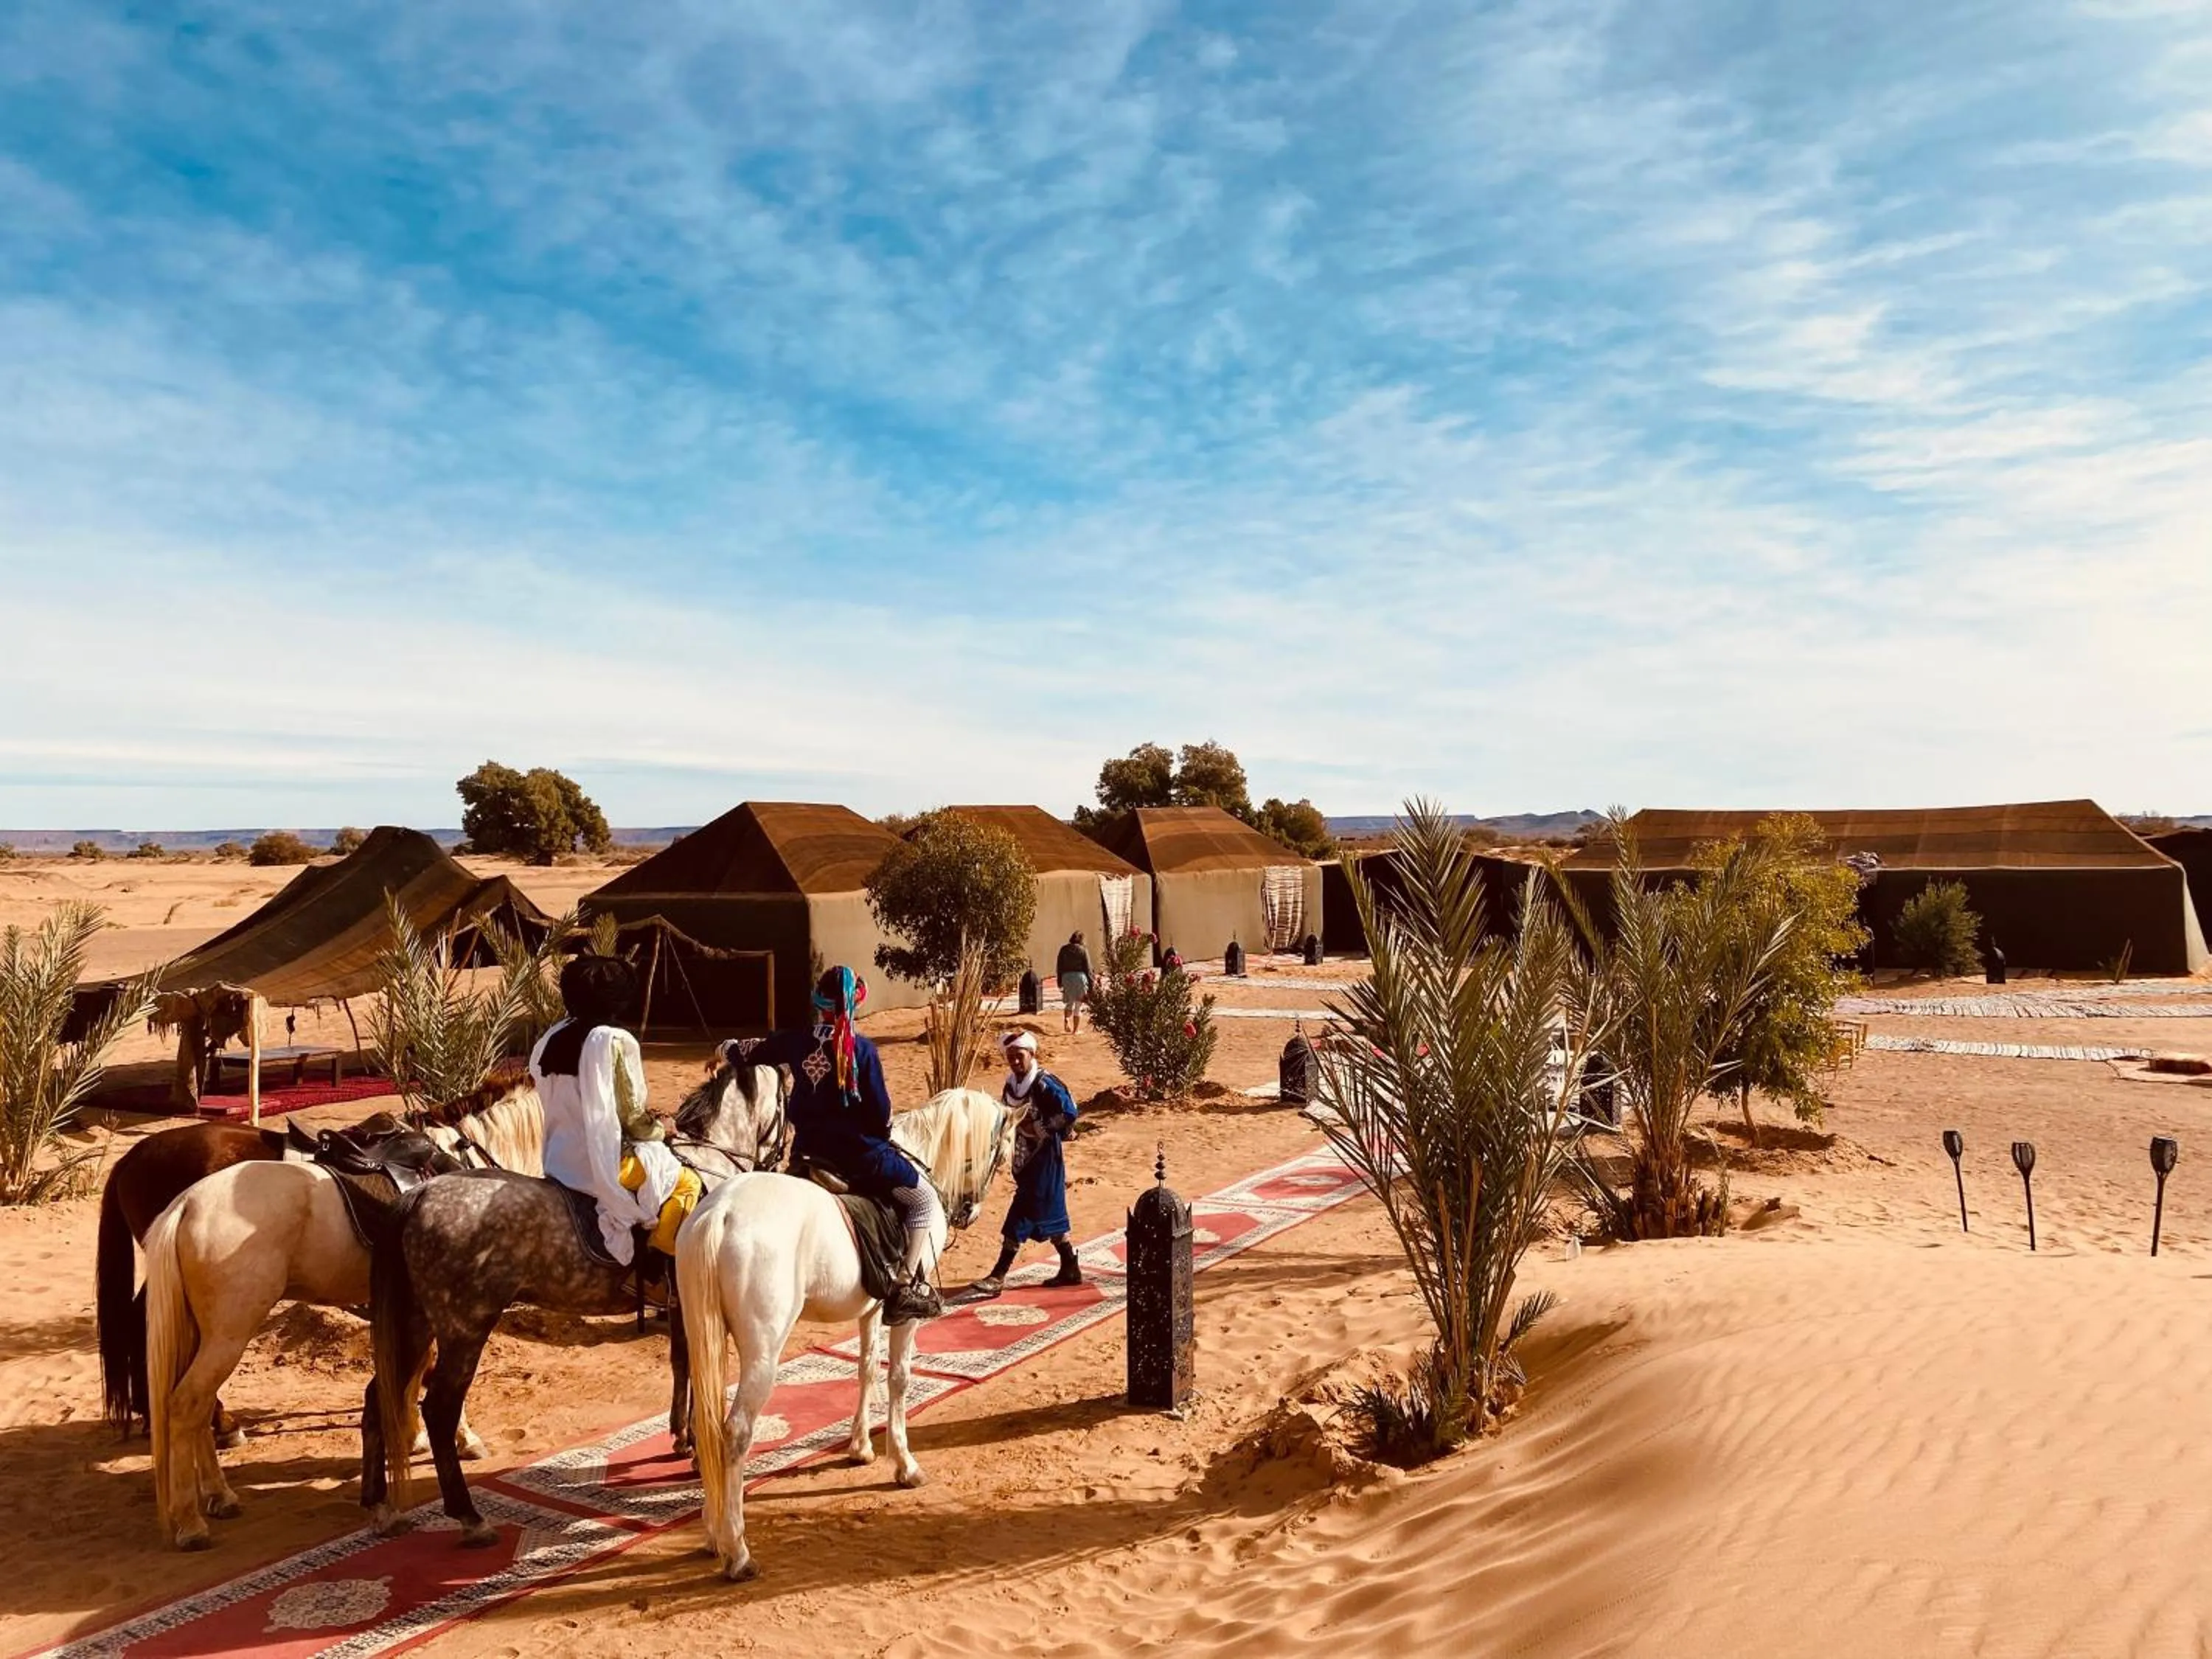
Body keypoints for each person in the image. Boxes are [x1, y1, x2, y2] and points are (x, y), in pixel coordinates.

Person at [719, 966, 942, 1323]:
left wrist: (726, 1047)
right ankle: (904, 1289)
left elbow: (748, 1051)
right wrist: (883, 1135)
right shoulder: (863, 1051)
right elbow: (881, 1111)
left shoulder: (796, 1041)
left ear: (819, 1004)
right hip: (859, 1158)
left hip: (806, 1153)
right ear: (854, 1005)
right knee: (924, 1199)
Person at [530, 955, 699, 1270]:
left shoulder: (550, 1038)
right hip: (604, 1164)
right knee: (687, 1181)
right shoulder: (614, 1040)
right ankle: (659, 1267)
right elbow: (631, 1116)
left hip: (559, 1159)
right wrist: (661, 1129)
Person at [967, 1031, 1081, 1299]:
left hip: (1045, 1158)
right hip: (1023, 1156)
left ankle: (998, 1275)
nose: (1015, 1062)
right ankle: (1070, 1267)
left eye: (1019, 1056)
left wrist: (1039, 1127)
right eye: (1010, 1057)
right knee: (1048, 1214)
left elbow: (1068, 1112)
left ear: (1031, 1054)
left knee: (1022, 1211)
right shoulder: (1011, 1085)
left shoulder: (1044, 1084)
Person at [1055, 931, 1093, 1034]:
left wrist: (1059, 981)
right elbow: (1088, 969)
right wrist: (1091, 985)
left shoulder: (1064, 949)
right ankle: (1075, 1031)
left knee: (1069, 1002)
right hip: (1079, 977)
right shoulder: (1083, 950)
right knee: (1078, 1005)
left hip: (1066, 977)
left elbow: (1059, 966)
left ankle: (1067, 1020)